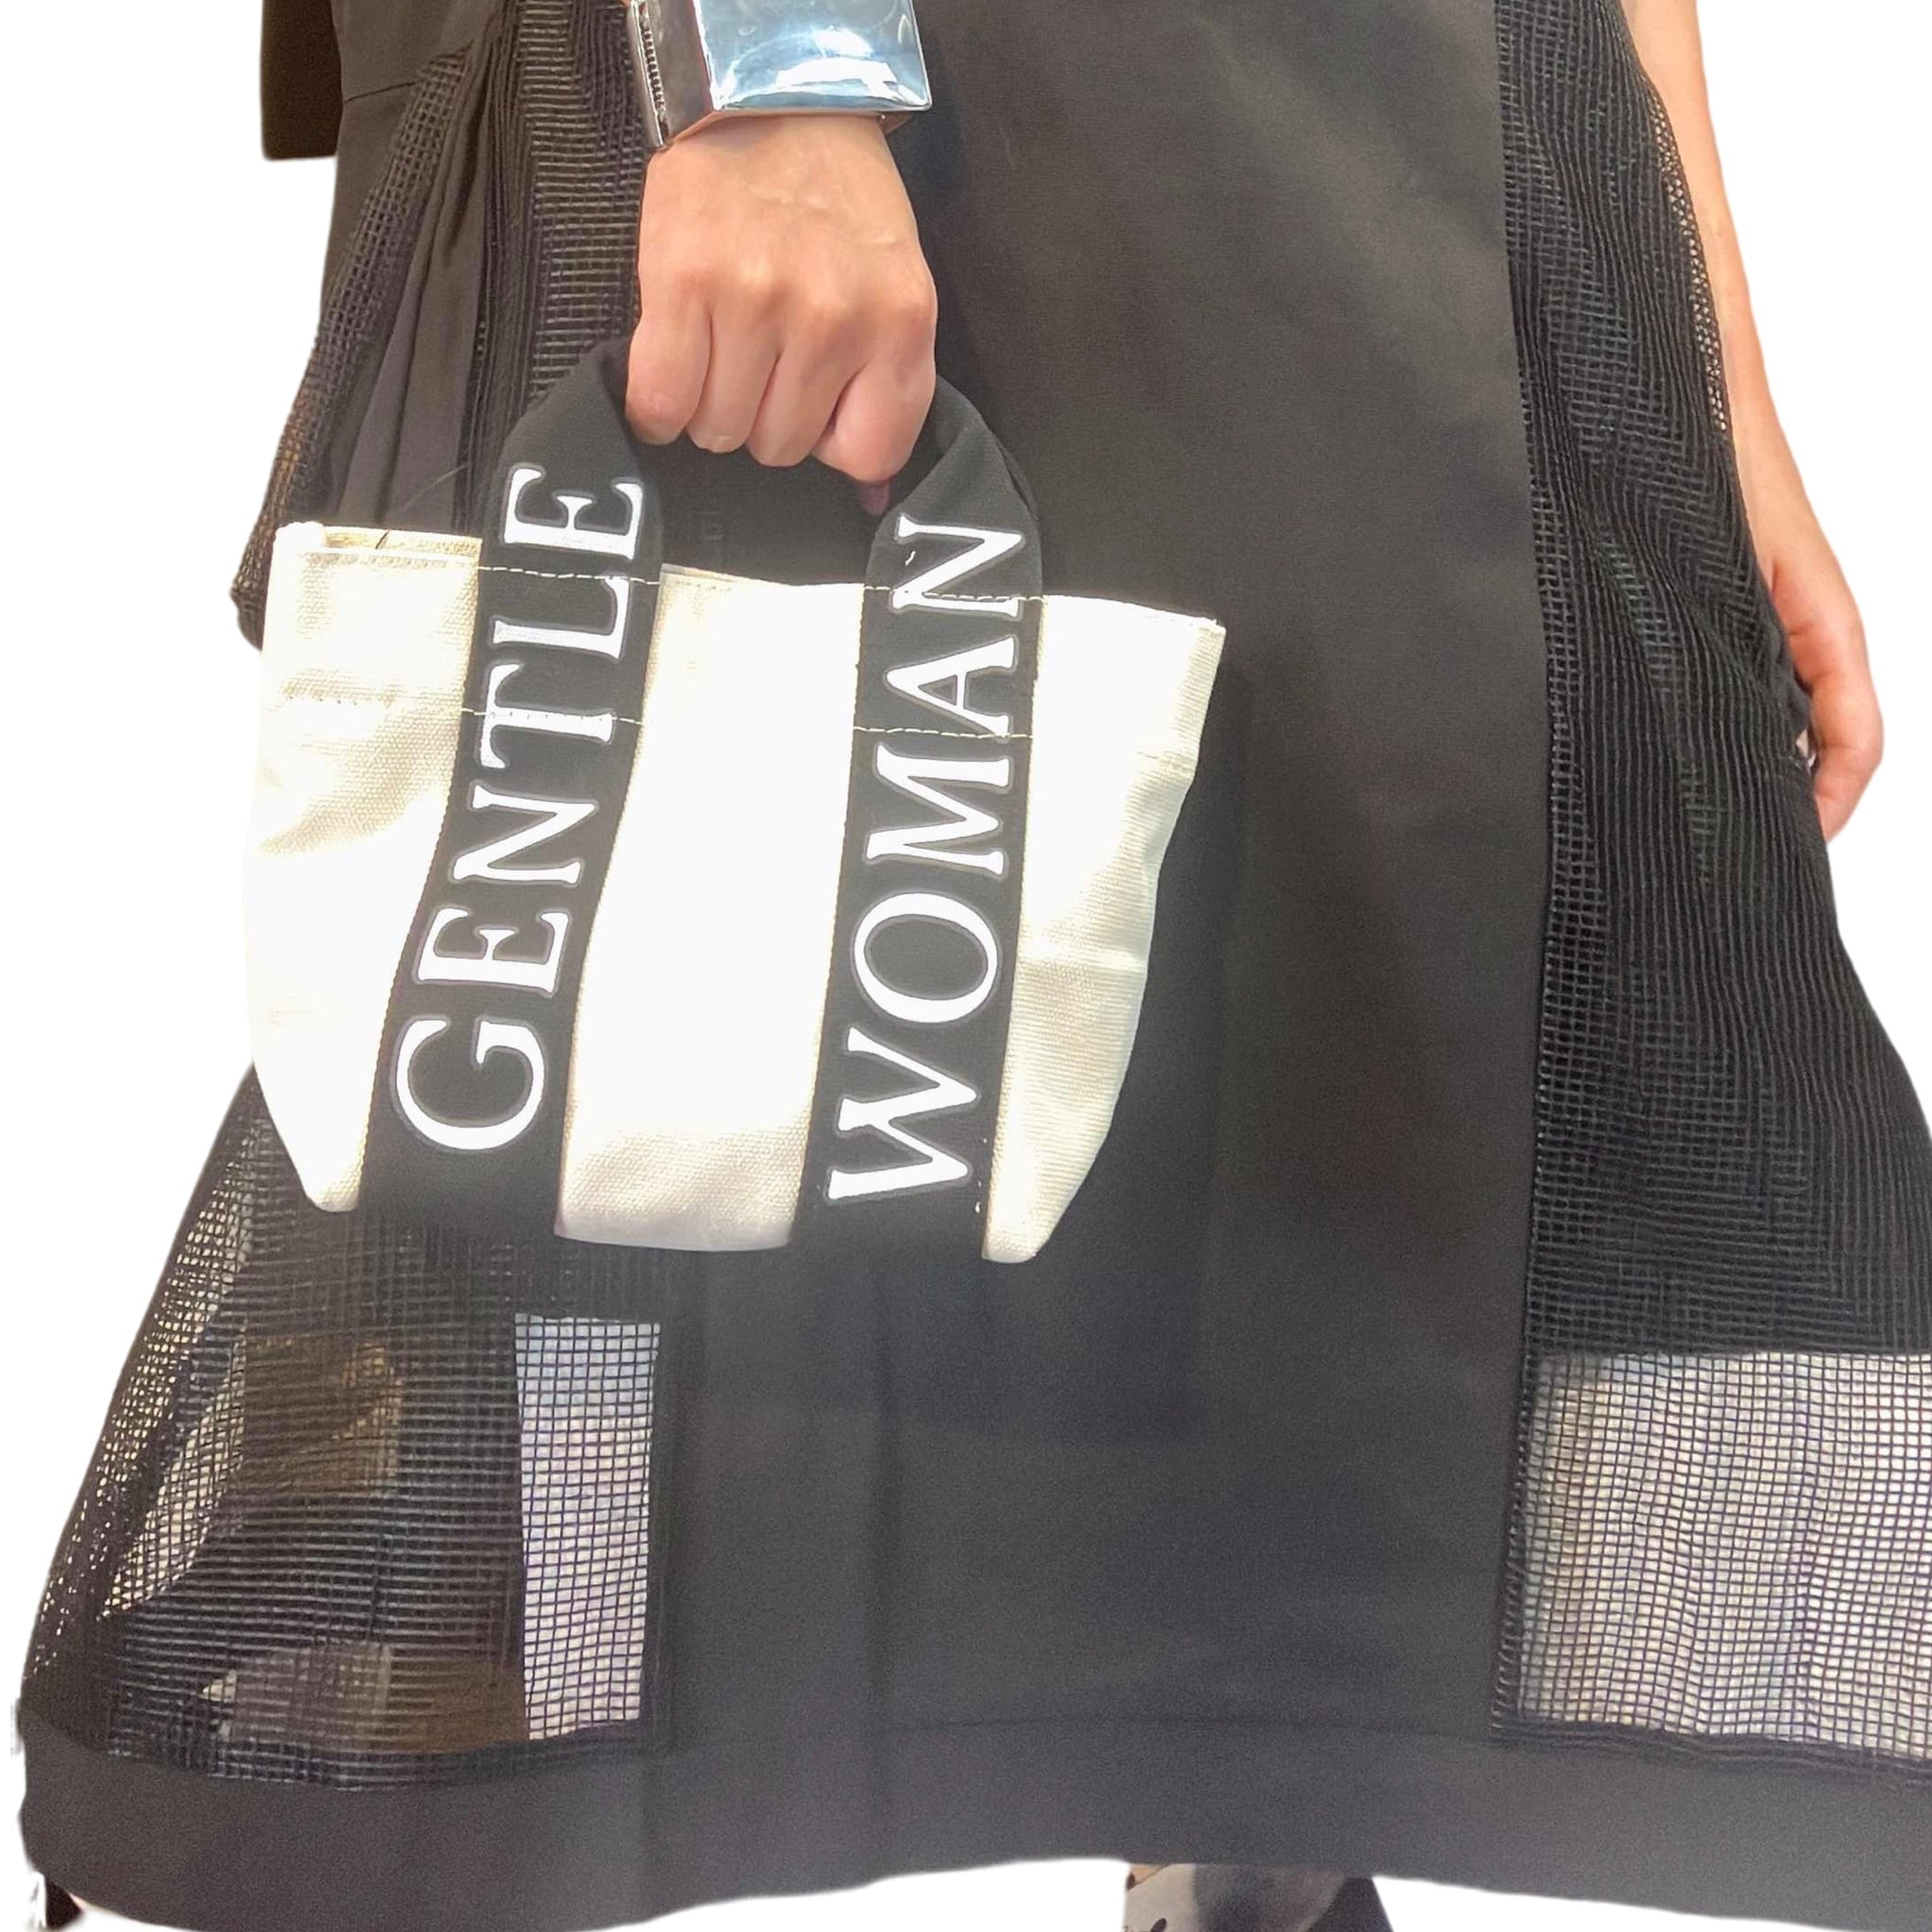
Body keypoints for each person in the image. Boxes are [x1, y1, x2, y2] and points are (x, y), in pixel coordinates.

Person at [17, 3, 1930, 1931]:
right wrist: (771, 70)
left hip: (1413, 119)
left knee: (1328, 1001)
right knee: (566, 1088)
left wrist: (1708, 377)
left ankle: (1247, 1847)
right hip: (846, 93)